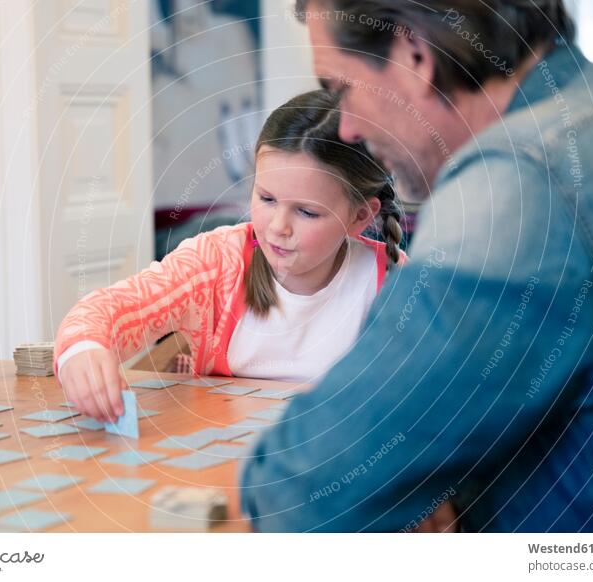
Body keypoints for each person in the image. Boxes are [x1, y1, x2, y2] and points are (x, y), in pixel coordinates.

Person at [240, 0, 593, 531]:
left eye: (341, 89)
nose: (346, 131)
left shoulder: (517, 183)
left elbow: (308, 486)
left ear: (413, 54)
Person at [54, 89, 405, 423]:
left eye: (307, 212)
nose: (278, 227)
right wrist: (82, 350)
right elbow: (108, 309)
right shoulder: (215, 262)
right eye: (267, 199)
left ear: (360, 216)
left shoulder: (393, 279)